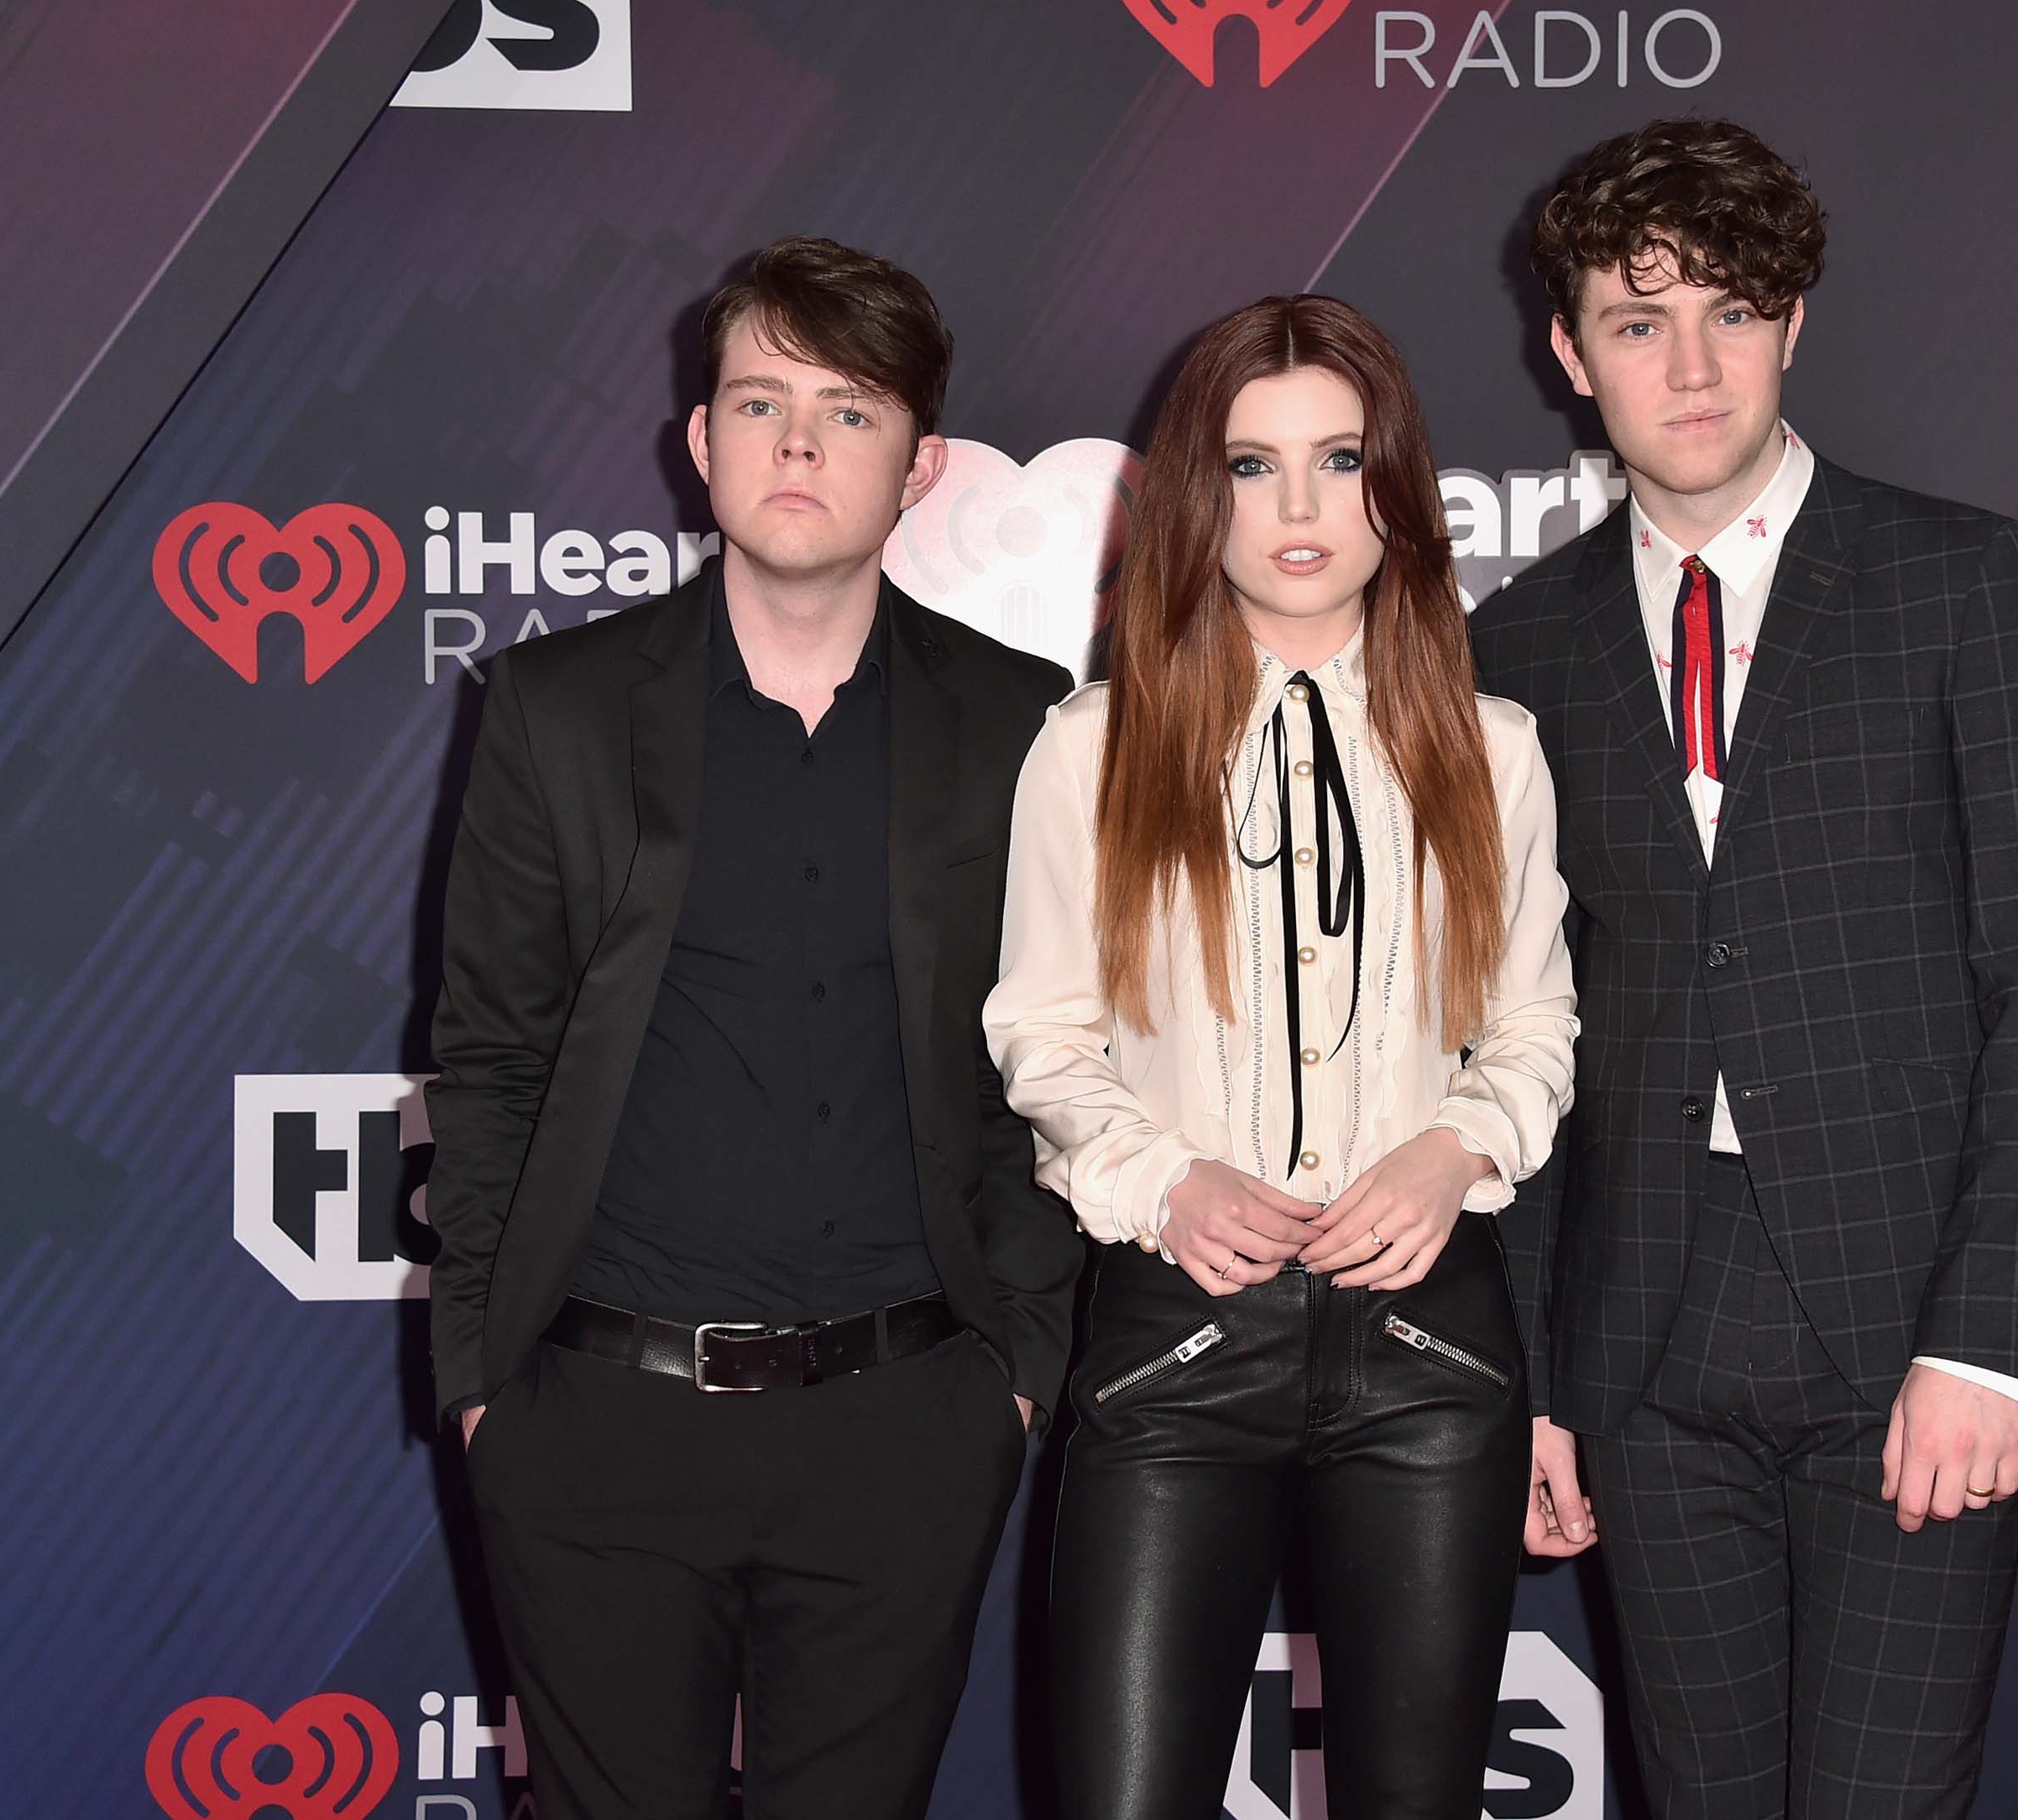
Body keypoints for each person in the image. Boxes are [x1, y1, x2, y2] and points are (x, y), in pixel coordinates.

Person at [1469, 120, 2018, 1817]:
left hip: (1909, 1326)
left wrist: (1985, 1346)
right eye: (1636, 320)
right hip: (1644, 1351)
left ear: (1793, 321)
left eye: (1730, 310)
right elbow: (1516, 1027)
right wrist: (1541, 1384)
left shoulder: (1958, 582)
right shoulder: (1514, 647)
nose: (1688, 365)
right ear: (1569, 352)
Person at [424, 235, 1080, 1820]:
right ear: (698, 439)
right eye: (761, 400)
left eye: (849, 411)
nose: (797, 442)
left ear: (920, 469)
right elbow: (491, 1057)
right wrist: (482, 1382)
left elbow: (1060, 1060)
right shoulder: (553, 711)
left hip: (905, 1423)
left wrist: (1013, 1374)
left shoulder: (1026, 721)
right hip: (593, 1424)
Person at [984, 294, 1579, 1819]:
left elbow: (1530, 1025)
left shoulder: (1491, 745)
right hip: (1180, 1340)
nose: (1301, 508)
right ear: (1201, 495)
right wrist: (1162, 1182)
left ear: (1400, 487)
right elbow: (1043, 1034)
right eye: (1255, 467)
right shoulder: (1094, 749)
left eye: (1340, 459)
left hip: (1428, 1356)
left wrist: (1457, 1150)